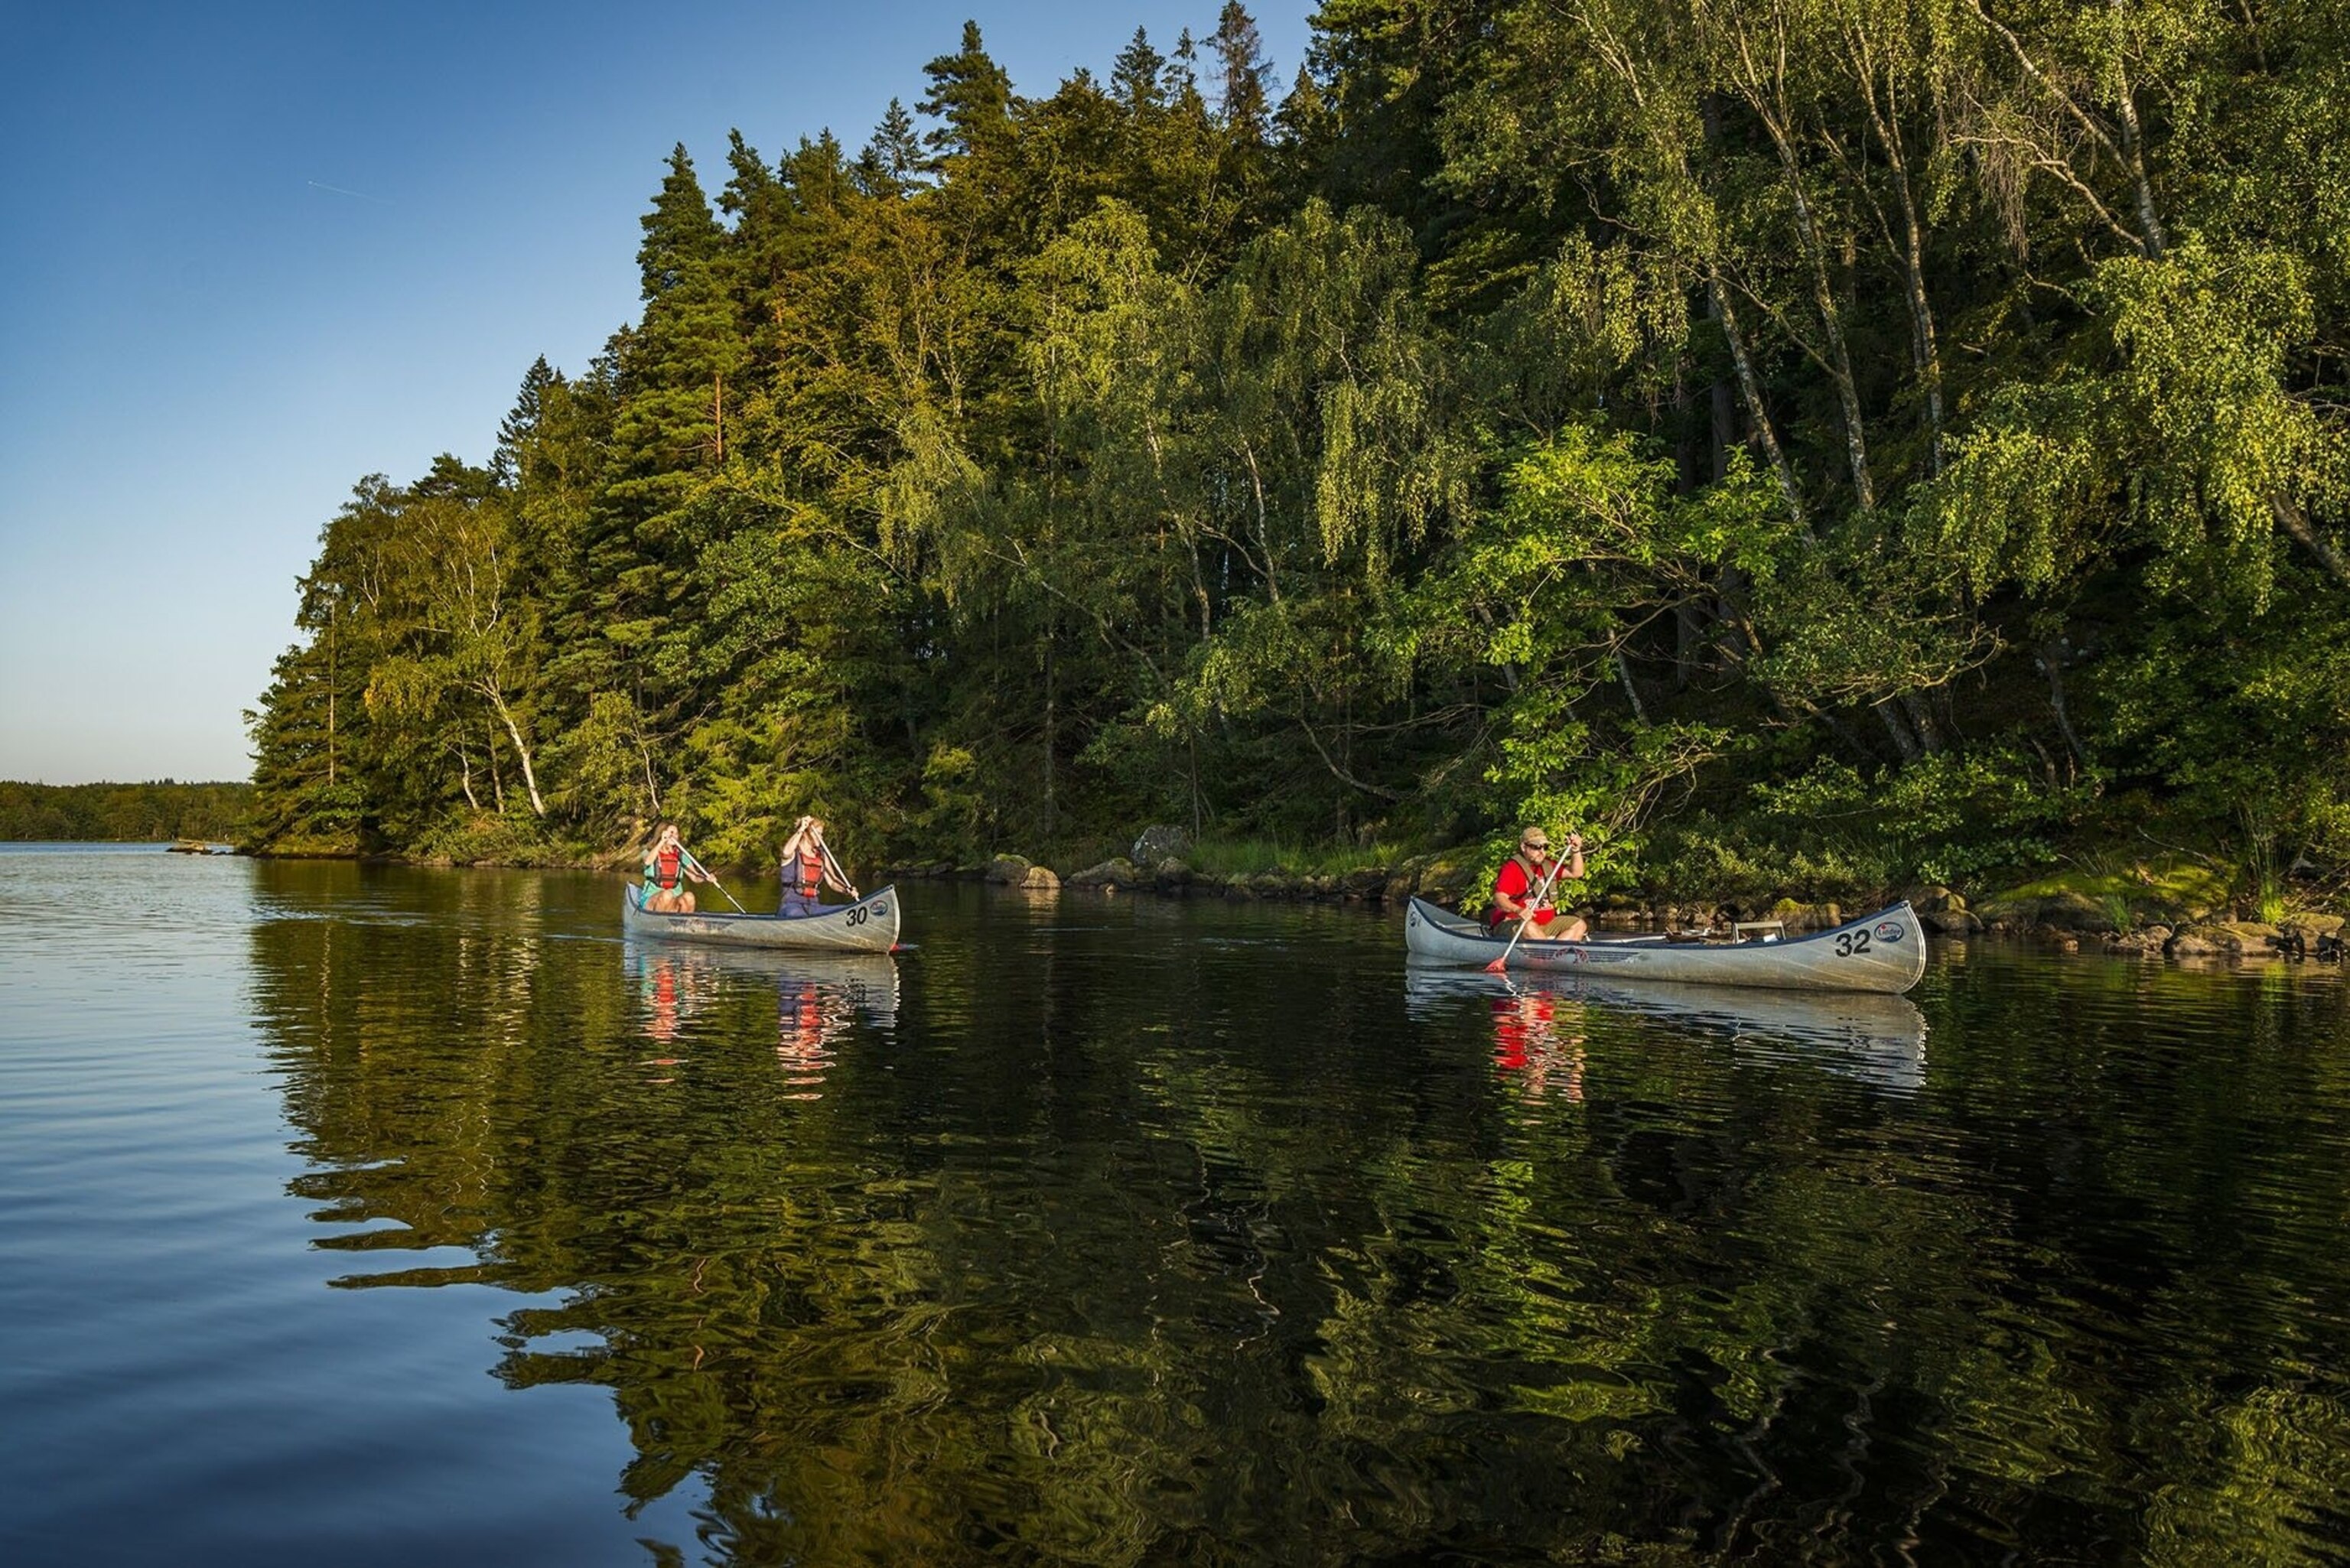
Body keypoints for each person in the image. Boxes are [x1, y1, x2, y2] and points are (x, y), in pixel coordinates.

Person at [1488, 826, 1587, 941]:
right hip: (1514, 923)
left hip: (1546, 924)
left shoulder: (1549, 866)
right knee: (1529, 927)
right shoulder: (1512, 869)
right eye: (1536, 847)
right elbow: (1499, 898)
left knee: (1579, 924)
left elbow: (1576, 873)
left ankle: (1555, 950)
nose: (1542, 851)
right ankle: (1548, 949)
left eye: (1545, 847)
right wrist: (1518, 910)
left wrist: (1576, 851)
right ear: (1523, 847)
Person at [776, 815, 858, 917]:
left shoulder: (822, 856)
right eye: (818, 834)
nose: (821, 837)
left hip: (814, 907)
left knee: (843, 910)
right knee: (797, 915)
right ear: (806, 834)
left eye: (821, 834)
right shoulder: (792, 853)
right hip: (791, 906)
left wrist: (846, 890)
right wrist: (802, 829)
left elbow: (832, 882)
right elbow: (786, 852)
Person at [640, 823, 715, 913]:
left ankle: (684, 921)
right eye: (671, 833)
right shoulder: (647, 852)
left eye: (676, 834)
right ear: (662, 833)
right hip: (651, 898)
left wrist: (706, 878)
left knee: (689, 897)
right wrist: (662, 842)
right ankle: (658, 921)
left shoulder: (681, 855)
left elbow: (695, 877)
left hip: (675, 898)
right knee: (667, 895)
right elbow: (647, 861)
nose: (674, 836)